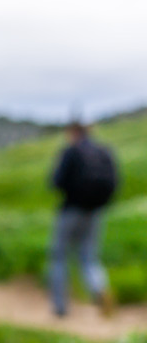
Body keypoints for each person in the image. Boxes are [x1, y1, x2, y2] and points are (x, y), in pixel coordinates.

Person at [49, 121, 119, 317]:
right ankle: (99, 290)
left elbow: (56, 182)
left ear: (73, 132)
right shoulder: (104, 151)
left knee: (59, 257)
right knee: (90, 258)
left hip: (70, 210)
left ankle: (60, 307)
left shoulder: (71, 151)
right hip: (95, 212)